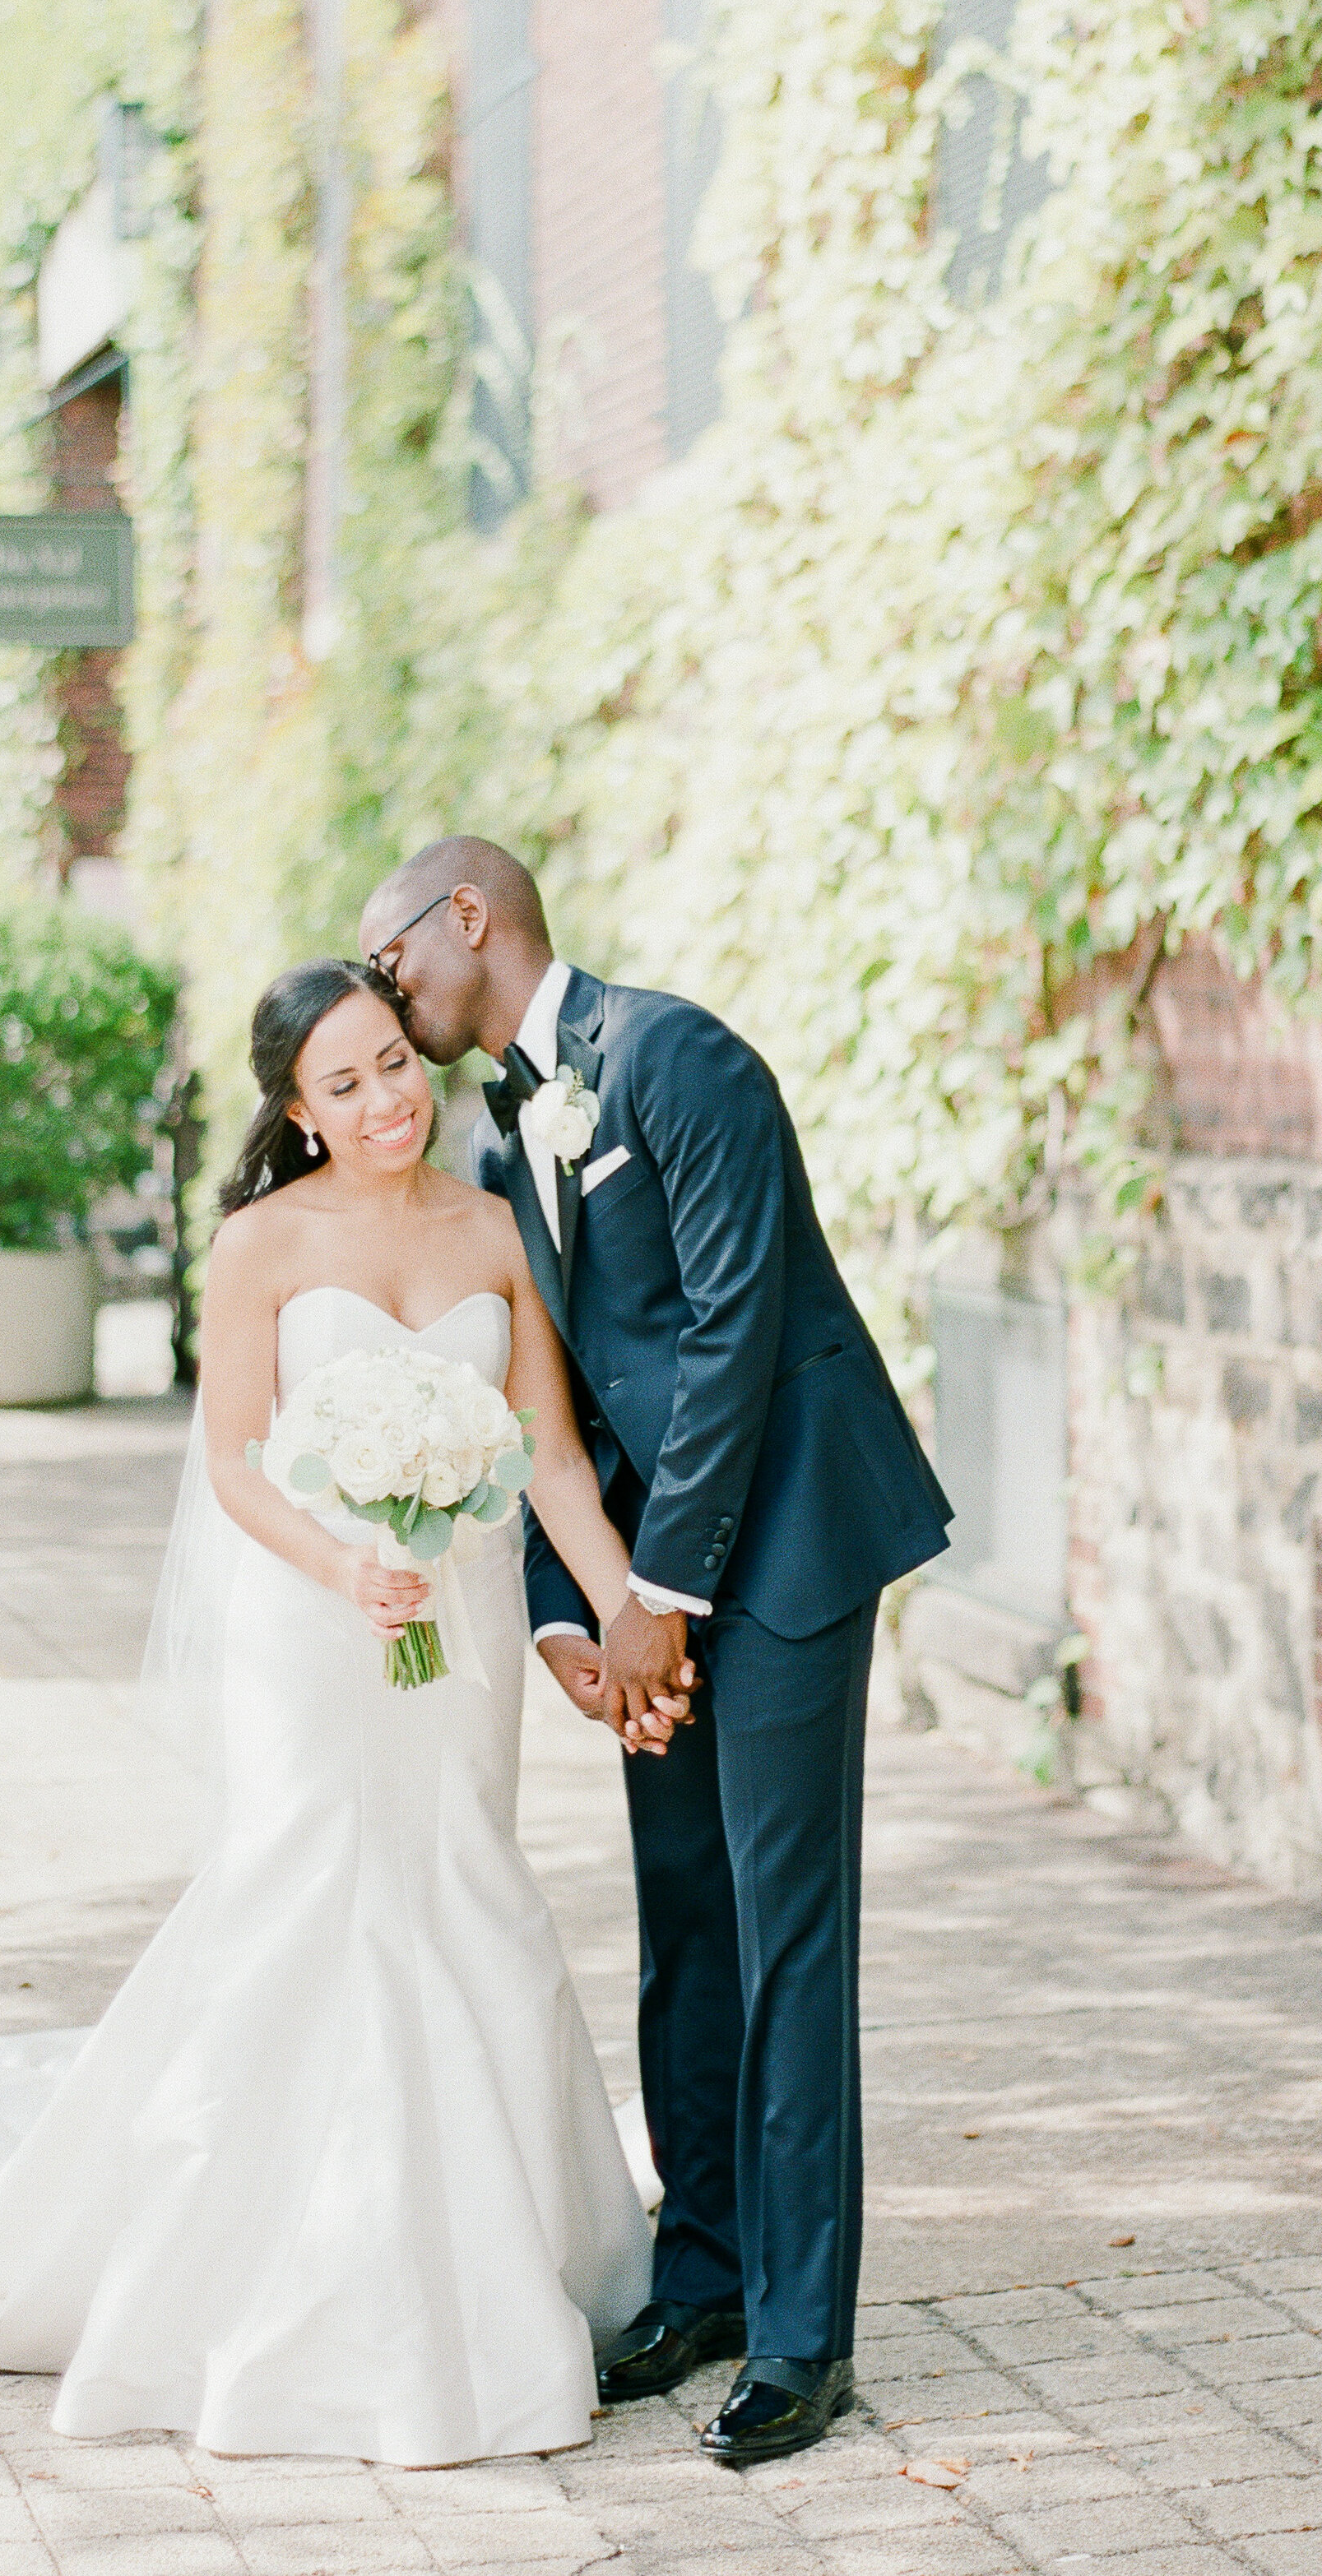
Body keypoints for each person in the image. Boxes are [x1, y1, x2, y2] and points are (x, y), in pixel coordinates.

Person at [0, 957, 657, 2466]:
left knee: (464, 1882)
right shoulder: (261, 1244)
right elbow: (233, 1466)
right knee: (306, 1895)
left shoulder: (491, 1228)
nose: (387, 1099)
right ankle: (278, 2276)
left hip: (449, 1634)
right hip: (317, 1626)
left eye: (396, 1063)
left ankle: (490, 2260)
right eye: (345, 1084)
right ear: (297, 1109)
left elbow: (553, 1465)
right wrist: (348, 1562)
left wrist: (621, 1600)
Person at [360, 839, 953, 2467]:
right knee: (684, 1926)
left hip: (789, 1546)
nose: (386, 987)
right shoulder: (505, 1125)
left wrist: (658, 1603)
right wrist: (573, 1607)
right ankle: (697, 2272)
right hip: (657, 1583)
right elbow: (566, 1400)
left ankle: (796, 2336)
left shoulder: (676, 1055)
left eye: (392, 953)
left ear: (467, 916)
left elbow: (731, 1339)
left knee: (785, 1936)